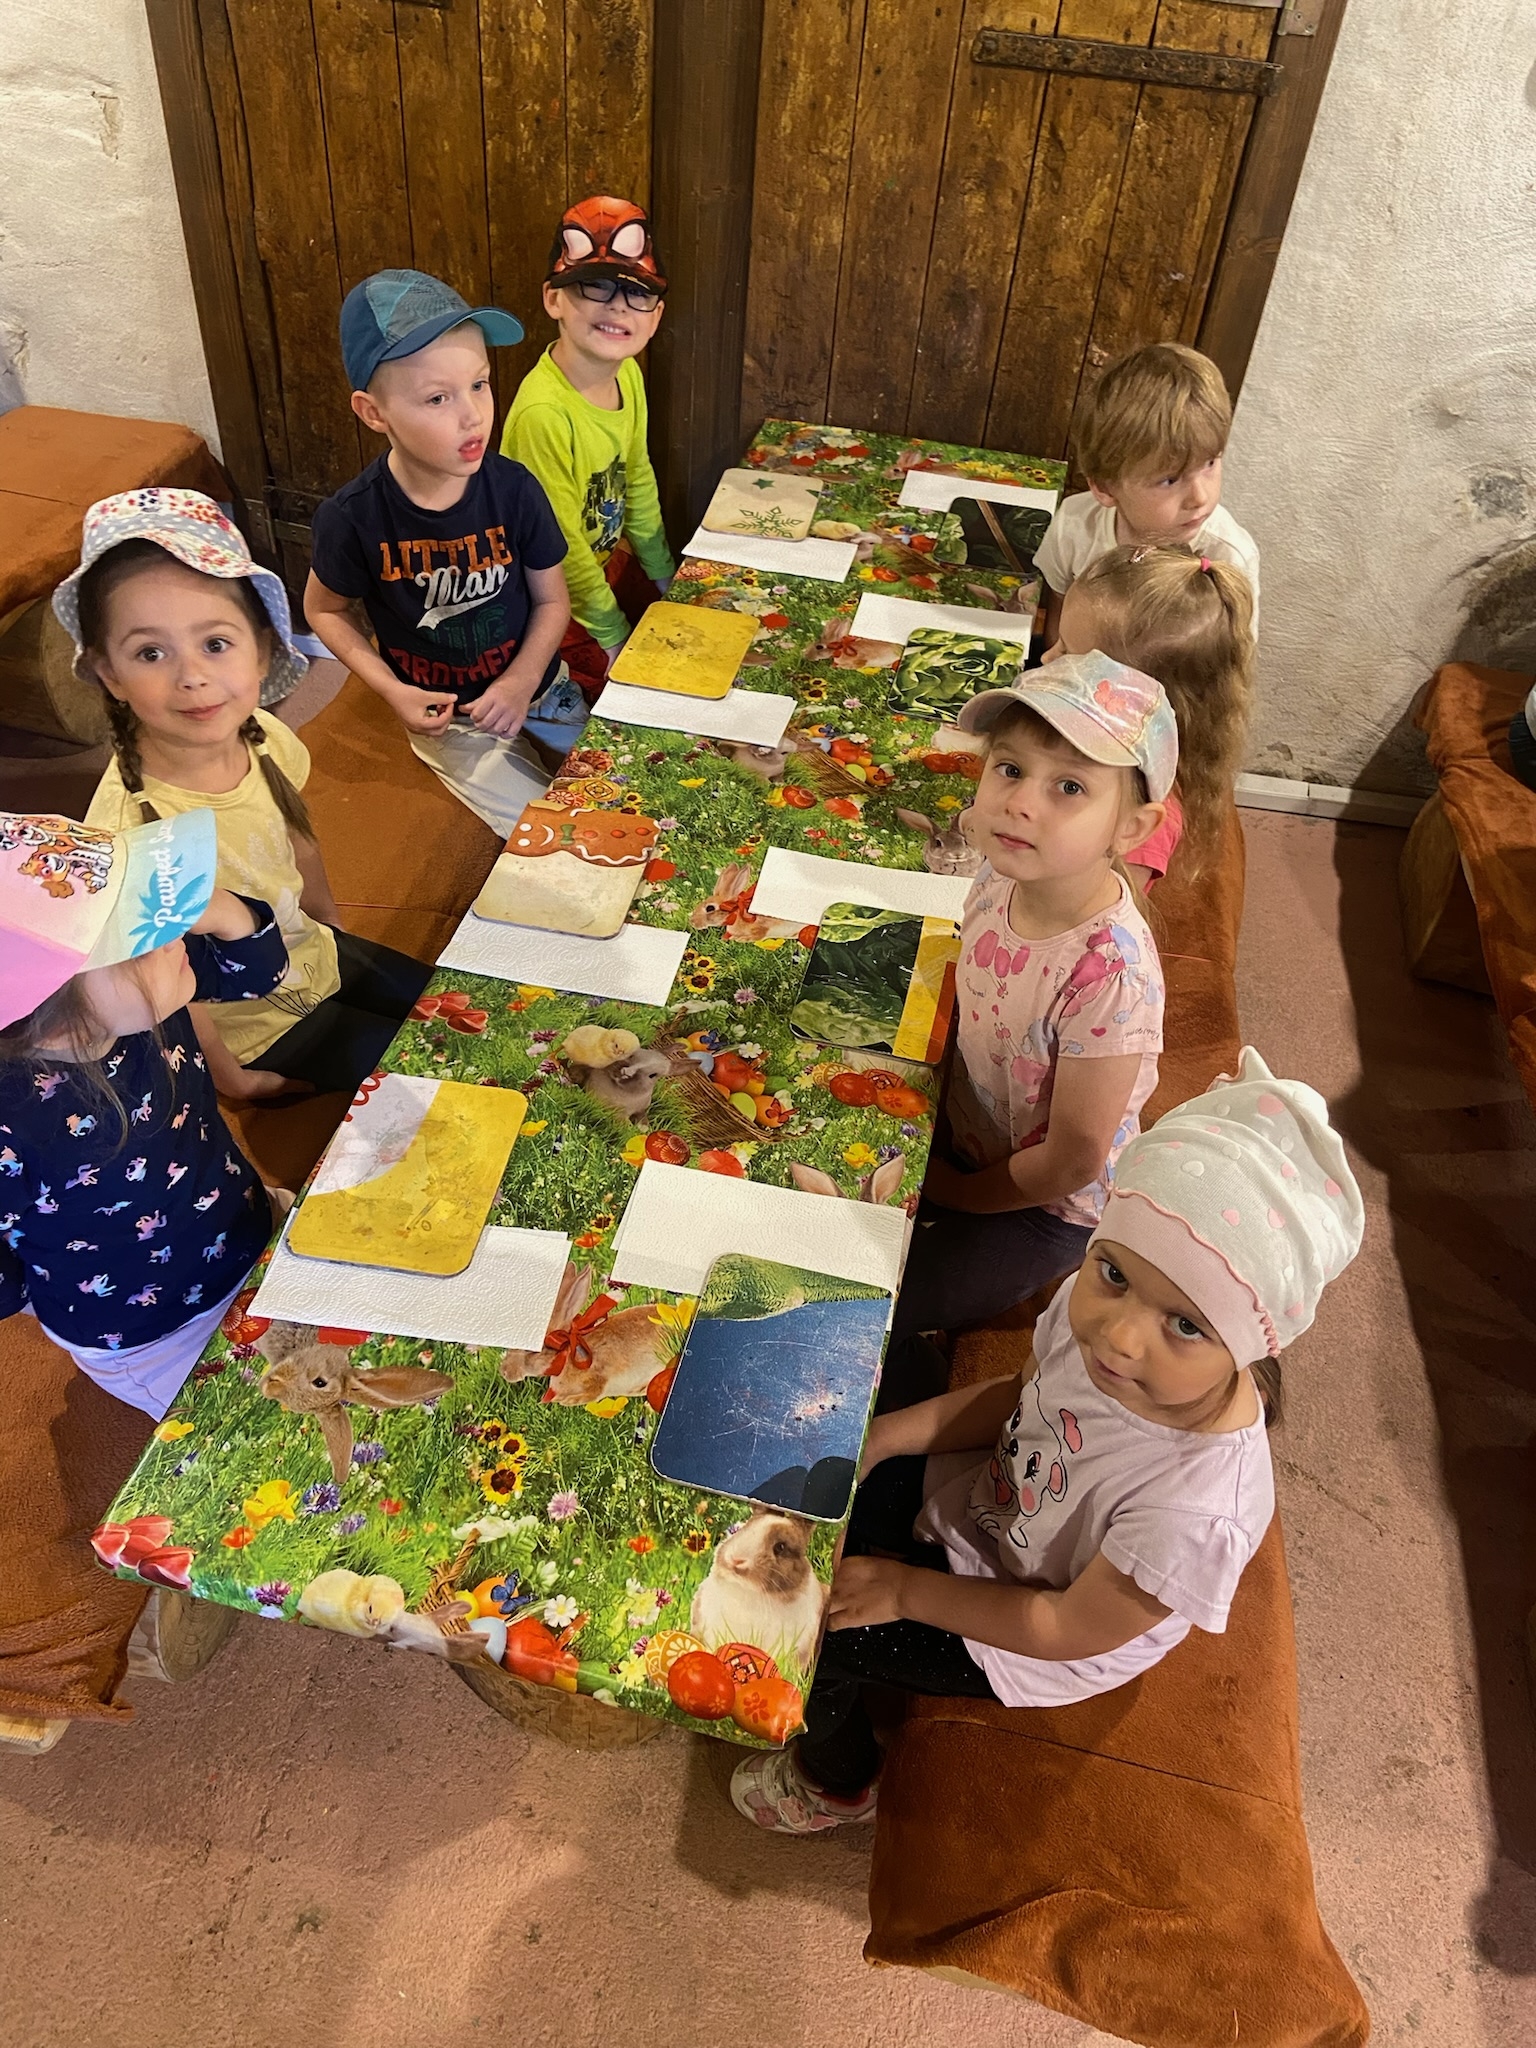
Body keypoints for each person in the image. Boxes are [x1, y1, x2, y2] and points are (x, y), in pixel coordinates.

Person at [730, 1048, 1364, 1831]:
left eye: (1186, 1324)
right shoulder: (1089, 1317)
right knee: (799, 1487)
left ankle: (838, 1781)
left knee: (808, 1636)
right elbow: (1020, 1396)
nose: (1120, 1337)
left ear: (1245, 1347)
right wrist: (885, 1438)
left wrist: (903, 1591)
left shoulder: (1196, 1516)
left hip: (1027, 1635)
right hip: (993, 1506)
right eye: (1115, 1275)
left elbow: (1064, 1628)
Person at [64, 491, 431, 1100]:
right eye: (151, 652)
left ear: (260, 650)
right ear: (110, 674)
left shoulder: (263, 736)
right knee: (444, 1075)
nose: (192, 676)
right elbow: (167, 983)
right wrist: (233, 1079)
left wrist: (331, 926)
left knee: (467, 1003)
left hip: (316, 953)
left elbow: (297, 833)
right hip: (257, 1025)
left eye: (215, 643)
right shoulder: (126, 835)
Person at [885, 653, 1173, 1355]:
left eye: (1069, 786)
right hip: (972, 1123)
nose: (1019, 803)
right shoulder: (1000, 869)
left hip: (1048, 1209)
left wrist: (957, 1193)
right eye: (1009, 769)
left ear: (1131, 829)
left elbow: (1071, 1163)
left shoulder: (1111, 976)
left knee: (883, 1296)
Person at [0, 806, 290, 1418]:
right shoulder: (12, 1124)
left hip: (249, 1225)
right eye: (141, 935)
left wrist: (219, 908)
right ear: (52, 1009)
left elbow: (256, 970)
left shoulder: (143, 995)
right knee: (269, 1434)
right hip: (157, 1334)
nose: (174, 932)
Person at [305, 270, 581, 837]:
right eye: (438, 398)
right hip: (454, 722)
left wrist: (522, 680)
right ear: (373, 412)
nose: (472, 414)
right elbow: (323, 609)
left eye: (479, 384)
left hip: (542, 687)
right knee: (553, 836)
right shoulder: (352, 517)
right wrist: (393, 690)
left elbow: (553, 601)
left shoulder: (515, 489)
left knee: (628, 794)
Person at [501, 196, 676, 695]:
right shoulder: (543, 415)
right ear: (554, 299)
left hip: (601, 564)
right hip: (545, 593)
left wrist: (665, 575)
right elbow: (560, 548)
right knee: (626, 696)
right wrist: (611, 634)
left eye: (637, 293)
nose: (617, 305)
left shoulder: (629, 375)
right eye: (595, 286)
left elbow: (637, 475)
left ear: (656, 316)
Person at [1045, 543, 1256, 886]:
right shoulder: (1098, 739)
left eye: (1068, 655)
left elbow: (1098, 911)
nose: (1047, 659)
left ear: (1136, 696)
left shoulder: (1144, 819)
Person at [1036, 343, 1260, 648]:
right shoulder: (1074, 527)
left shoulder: (1230, 555)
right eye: (1170, 480)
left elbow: (1233, 660)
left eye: (1210, 463)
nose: (1200, 497)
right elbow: (1059, 622)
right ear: (1105, 488)